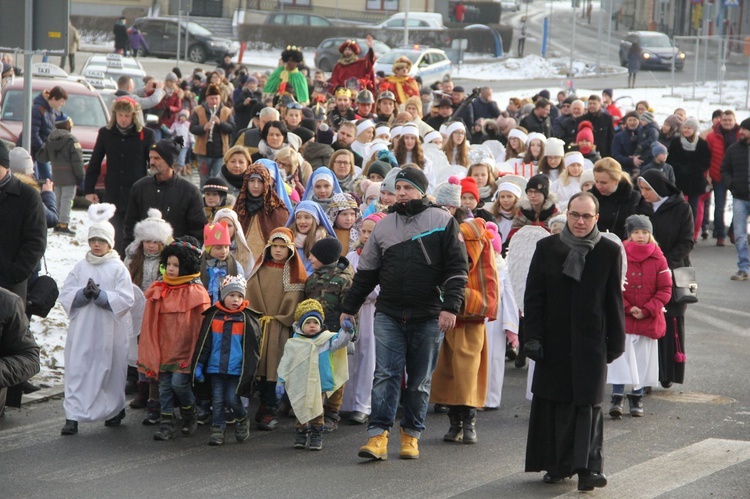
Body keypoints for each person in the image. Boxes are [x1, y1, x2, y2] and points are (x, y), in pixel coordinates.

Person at [341, 167, 468, 461]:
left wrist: (450, 307)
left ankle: (411, 435)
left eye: (407, 188)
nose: (400, 193)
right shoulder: (384, 226)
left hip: (429, 314)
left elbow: (457, 270)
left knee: (420, 380)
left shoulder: (443, 221)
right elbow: (367, 272)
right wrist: (349, 307)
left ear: (421, 191)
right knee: (385, 374)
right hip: (389, 312)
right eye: (397, 187)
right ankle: (378, 436)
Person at [523, 191, 626, 491]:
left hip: (591, 340)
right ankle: (556, 466)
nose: (580, 222)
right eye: (574, 215)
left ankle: (589, 470)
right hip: (553, 340)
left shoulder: (608, 251)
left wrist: (616, 341)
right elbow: (534, 297)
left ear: (597, 218)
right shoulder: (546, 248)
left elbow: (613, 300)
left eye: (586, 216)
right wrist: (533, 337)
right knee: (555, 402)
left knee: (588, 405)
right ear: (566, 215)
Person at [58, 204, 136, 435]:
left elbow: (126, 298)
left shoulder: (117, 268)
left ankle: (114, 409)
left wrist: (102, 297)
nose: (96, 245)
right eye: (93, 240)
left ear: (110, 243)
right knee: (78, 369)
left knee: (109, 369)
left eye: (101, 241)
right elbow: (66, 293)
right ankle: (72, 415)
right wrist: (82, 295)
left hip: (109, 330)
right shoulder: (81, 266)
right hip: (82, 329)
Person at [431, 217, 498, 445]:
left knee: (466, 371)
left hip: (470, 321)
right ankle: (456, 422)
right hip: (451, 319)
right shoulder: (463, 245)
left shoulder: (479, 250)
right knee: (450, 369)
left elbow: (489, 284)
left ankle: (467, 421)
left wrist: (464, 298)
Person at [138, 236, 212, 440]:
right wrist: (151, 350)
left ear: (187, 266)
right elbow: (149, 323)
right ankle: (166, 423)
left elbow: (201, 327)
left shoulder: (197, 292)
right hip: (163, 350)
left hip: (185, 352)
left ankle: (190, 414)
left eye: (176, 265)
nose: (170, 269)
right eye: (168, 264)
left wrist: (197, 356)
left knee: (179, 385)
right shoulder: (158, 289)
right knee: (163, 387)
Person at [607, 215, 672, 420]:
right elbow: (613, 285)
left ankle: (636, 396)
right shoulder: (619, 254)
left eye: (645, 232)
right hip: (624, 317)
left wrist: (647, 309)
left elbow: (665, 289)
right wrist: (626, 307)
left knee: (643, 361)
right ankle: (617, 396)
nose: (641, 236)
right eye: (636, 232)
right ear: (629, 234)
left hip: (648, 318)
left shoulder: (659, 257)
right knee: (620, 359)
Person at [635, 170, 694, 387]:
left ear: (660, 188)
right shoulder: (641, 207)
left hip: (673, 270)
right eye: (641, 189)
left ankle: (668, 372)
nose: (644, 193)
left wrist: (664, 263)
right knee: (647, 319)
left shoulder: (681, 207)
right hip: (645, 271)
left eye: (648, 189)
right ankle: (647, 374)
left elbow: (687, 241)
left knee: (670, 319)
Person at [245, 227, 306, 431]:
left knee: (276, 369)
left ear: (290, 249)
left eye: (283, 247)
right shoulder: (259, 270)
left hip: (280, 328)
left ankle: (272, 408)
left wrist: (282, 318)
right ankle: (262, 405)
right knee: (260, 369)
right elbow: (250, 294)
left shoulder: (295, 275)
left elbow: (294, 303)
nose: (278, 251)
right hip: (259, 324)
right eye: (274, 246)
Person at [192, 275, 261, 446]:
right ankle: (217, 430)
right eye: (231, 295)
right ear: (223, 296)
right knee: (216, 400)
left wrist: (250, 371)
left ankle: (242, 418)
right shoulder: (213, 317)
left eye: (239, 296)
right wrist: (199, 364)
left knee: (232, 399)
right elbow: (205, 343)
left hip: (236, 369)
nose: (235, 299)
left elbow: (252, 350)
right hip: (215, 368)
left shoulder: (247, 319)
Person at [277, 299, 355, 450]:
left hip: (319, 382)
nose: (312, 326)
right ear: (300, 325)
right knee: (300, 409)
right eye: (308, 322)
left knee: (317, 409)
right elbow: (285, 362)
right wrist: (280, 381)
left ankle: (316, 435)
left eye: (315, 322)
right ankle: (300, 433)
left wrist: (347, 331)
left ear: (321, 324)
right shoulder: (294, 343)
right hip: (300, 383)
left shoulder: (326, 340)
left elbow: (341, 342)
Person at [86, 97, 156, 254]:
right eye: (120, 115)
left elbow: (153, 164)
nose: (123, 119)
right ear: (114, 115)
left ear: (134, 116)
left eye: (127, 115)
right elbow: (95, 161)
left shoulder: (146, 135)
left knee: (134, 235)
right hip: (113, 194)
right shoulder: (106, 133)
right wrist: (89, 189)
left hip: (136, 193)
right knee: (114, 234)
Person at [304, 237, 355, 432]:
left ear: (324, 257)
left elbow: (351, 308)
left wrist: (350, 333)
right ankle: (316, 413)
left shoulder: (344, 279)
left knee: (336, 374)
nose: (310, 258)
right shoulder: (312, 279)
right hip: (315, 335)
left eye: (314, 255)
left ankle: (332, 413)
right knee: (316, 373)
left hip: (335, 333)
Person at [340, 212, 386, 425]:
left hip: (371, 312)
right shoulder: (351, 256)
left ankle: (362, 405)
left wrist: (359, 293)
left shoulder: (384, 257)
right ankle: (346, 402)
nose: (366, 235)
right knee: (350, 354)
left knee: (368, 355)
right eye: (364, 231)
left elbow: (379, 289)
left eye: (371, 231)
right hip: (352, 311)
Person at [123, 137, 207, 250]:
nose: (151, 162)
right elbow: (130, 227)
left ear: (169, 161)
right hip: (143, 257)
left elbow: (198, 232)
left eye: (157, 158)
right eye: (150, 158)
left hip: (175, 259)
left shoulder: (189, 192)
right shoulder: (140, 188)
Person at [0, 141, 47, 303]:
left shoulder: (27, 196)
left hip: (11, 288)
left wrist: (14, 274)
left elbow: (36, 241)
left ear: (6, 166)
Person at [37, 114, 84, 235]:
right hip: (70, 176)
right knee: (67, 200)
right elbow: (77, 161)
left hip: (56, 175)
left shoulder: (50, 139)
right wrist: (81, 177)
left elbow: (43, 157)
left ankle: (56, 221)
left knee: (57, 198)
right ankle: (63, 223)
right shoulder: (71, 140)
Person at [667, 117, 712, 241]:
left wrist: (695, 169)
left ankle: (690, 233)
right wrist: (680, 168)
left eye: (689, 128)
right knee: (678, 206)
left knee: (693, 208)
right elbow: (670, 159)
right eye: (685, 127)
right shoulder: (676, 142)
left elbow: (706, 161)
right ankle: (677, 232)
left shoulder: (702, 144)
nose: (686, 130)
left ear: (694, 130)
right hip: (679, 180)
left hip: (695, 181)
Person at [720, 117, 750, 281]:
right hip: (740, 198)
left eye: (745, 130)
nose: (742, 132)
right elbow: (724, 169)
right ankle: (744, 267)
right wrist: (732, 184)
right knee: (739, 234)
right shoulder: (733, 149)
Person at [190, 84, 236, 187]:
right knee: (203, 179)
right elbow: (192, 128)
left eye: (216, 98)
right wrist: (203, 128)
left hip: (220, 153)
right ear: (207, 99)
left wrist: (220, 123)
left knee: (217, 179)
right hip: (203, 152)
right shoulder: (198, 110)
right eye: (212, 98)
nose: (214, 101)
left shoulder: (226, 111)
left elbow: (232, 128)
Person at [706, 110, 740, 246]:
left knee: (738, 207)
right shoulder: (712, 136)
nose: (727, 123)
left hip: (737, 177)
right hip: (718, 175)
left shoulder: (740, 135)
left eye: (729, 120)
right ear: (721, 121)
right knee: (719, 206)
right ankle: (720, 234)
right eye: (724, 120)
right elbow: (706, 157)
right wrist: (707, 174)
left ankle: (732, 230)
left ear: (734, 120)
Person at [591, 158, 641, 239]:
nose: (599, 186)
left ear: (616, 180)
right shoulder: (591, 197)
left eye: (604, 182)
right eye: (596, 181)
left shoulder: (633, 198)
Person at [200, 222, 244, 304]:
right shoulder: (199, 266)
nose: (224, 251)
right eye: (218, 248)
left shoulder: (235, 267)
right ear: (209, 249)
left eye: (226, 247)